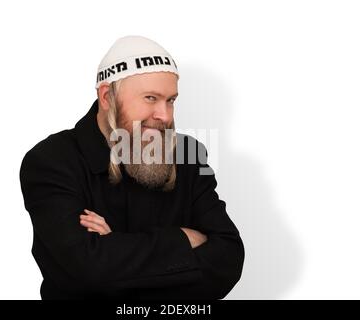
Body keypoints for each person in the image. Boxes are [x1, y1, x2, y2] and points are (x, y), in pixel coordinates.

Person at [19, 35, 245, 300]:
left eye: (171, 100)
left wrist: (113, 248)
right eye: (151, 98)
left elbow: (229, 258)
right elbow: (84, 272)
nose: (165, 115)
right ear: (106, 97)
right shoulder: (52, 161)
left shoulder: (190, 155)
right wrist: (186, 239)